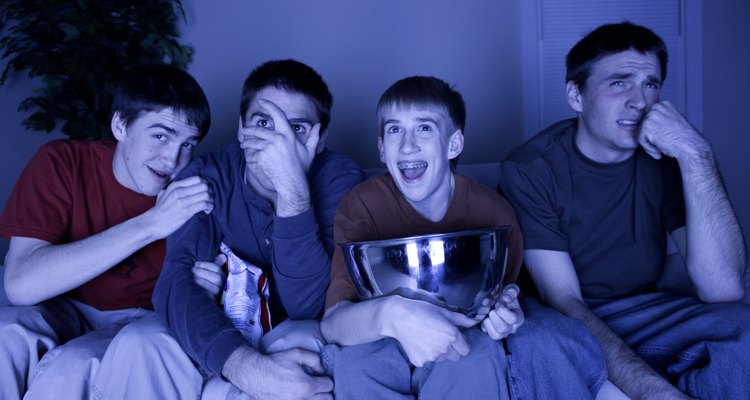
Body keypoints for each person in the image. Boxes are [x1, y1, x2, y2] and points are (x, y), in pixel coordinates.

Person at [499, 22, 750, 399]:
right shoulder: (532, 167)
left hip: (645, 309)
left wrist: (696, 153)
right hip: (566, 314)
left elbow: (724, 289)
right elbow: (563, 300)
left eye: (651, 84)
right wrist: (654, 392)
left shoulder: (669, 159)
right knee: (539, 342)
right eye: (619, 82)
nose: (640, 100)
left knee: (743, 328)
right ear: (576, 95)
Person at [89, 59, 364, 399]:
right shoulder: (206, 176)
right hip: (222, 333)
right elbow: (176, 287)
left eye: (296, 129)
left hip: (293, 332)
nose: (276, 142)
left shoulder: (339, 178)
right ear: (240, 129)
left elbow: (308, 307)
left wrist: (292, 191)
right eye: (263, 123)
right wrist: (246, 367)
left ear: (320, 139)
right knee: (142, 340)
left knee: (305, 345)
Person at [320, 76, 607, 399]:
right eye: (395, 129)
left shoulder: (493, 215)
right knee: (357, 364)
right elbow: (333, 324)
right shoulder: (360, 207)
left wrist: (505, 314)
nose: (408, 145)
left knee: (478, 355)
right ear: (382, 149)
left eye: (424, 128)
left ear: (453, 144)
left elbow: (502, 298)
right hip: (378, 336)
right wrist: (392, 315)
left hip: (464, 338)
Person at [0, 64, 213, 399]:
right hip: (61, 307)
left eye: (189, 144)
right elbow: (19, 285)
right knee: (5, 336)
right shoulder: (62, 162)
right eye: (160, 136)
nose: (173, 159)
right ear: (120, 126)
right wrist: (152, 223)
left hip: (140, 320)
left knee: (73, 366)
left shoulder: (198, 188)